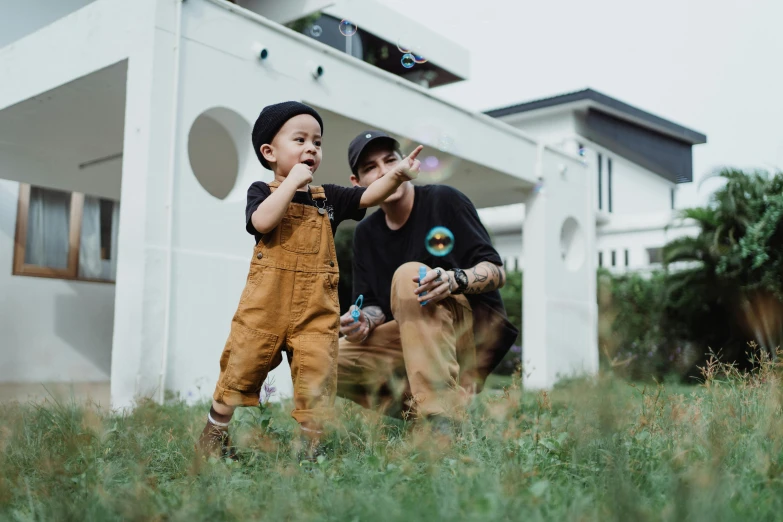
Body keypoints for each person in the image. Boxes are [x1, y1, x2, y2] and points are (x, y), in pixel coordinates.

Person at [197, 103, 422, 460]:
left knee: (317, 376)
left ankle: (310, 448)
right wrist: (290, 185)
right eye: (299, 139)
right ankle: (213, 436)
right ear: (269, 152)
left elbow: (368, 195)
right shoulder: (261, 190)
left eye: (317, 142)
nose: (311, 148)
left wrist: (398, 176)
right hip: (264, 308)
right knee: (241, 365)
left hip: (315, 313)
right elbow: (262, 222)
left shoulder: (328, 198)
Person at [337, 130, 519, 427]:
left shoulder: (444, 200)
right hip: (411, 334)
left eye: (391, 160)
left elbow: (497, 272)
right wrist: (363, 321)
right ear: (357, 183)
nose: (386, 171)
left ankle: (440, 423)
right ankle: (424, 410)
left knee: (411, 275)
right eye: (371, 167)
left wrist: (453, 279)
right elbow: (372, 305)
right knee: (322, 360)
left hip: (468, 337)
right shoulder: (366, 233)